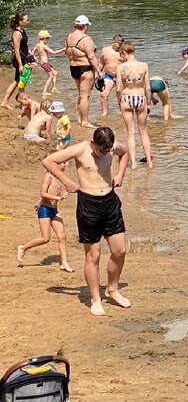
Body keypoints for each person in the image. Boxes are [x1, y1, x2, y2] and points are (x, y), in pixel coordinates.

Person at [41, 126, 131, 316]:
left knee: (120, 250)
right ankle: (95, 299)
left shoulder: (112, 147)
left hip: (110, 201)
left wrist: (120, 174)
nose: (103, 154)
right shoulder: (80, 149)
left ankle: (112, 289)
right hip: (89, 205)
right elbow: (48, 161)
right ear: (92, 142)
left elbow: (125, 153)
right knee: (93, 255)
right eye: (100, 151)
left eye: (106, 151)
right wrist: (67, 181)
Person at [15, 169, 73, 272]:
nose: (66, 163)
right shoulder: (48, 176)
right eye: (64, 162)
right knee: (45, 238)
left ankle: (64, 262)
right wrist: (59, 198)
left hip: (54, 209)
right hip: (45, 210)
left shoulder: (59, 175)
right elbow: (43, 193)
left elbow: (50, 190)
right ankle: (23, 248)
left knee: (62, 236)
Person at [116, 41, 153, 167]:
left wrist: (118, 100)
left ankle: (133, 164)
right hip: (140, 97)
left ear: (124, 52)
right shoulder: (144, 66)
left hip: (127, 97)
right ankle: (149, 162)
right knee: (143, 132)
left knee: (130, 133)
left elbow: (118, 88)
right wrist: (148, 103)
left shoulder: (121, 67)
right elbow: (148, 87)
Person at [63, 16, 103, 128]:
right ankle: (85, 121)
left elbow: (66, 53)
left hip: (73, 68)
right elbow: (91, 57)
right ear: (85, 26)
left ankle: (80, 119)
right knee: (85, 96)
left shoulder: (69, 37)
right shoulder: (86, 39)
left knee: (81, 95)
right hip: (85, 69)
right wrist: (99, 71)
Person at [2, 12, 33, 110]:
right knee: (17, 81)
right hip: (19, 60)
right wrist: (20, 65)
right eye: (26, 20)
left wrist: (31, 54)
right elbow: (16, 50)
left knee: (22, 81)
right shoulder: (17, 33)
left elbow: (24, 46)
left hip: (24, 59)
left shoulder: (22, 31)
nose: (28, 21)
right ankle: (5, 101)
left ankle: (21, 102)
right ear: (20, 22)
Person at [97, 34, 123, 117]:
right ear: (113, 42)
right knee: (104, 94)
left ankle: (122, 111)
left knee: (120, 94)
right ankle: (104, 113)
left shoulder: (123, 52)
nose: (120, 46)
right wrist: (98, 73)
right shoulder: (105, 50)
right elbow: (101, 63)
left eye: (121, 44)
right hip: (108, 76)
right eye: (119, 44)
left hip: (120, 77)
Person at [33, 29, 60, 96]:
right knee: (51, 76)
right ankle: (44, 91)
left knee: (55, 73)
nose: (48, 40)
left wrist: (34, 59)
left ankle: (54, 88)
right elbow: (53, 52)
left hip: (43, 63)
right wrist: (63, 49)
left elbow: (32, 53)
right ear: (44, 38)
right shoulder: (44, 46)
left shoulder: (37, 45)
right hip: (45, 63)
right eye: (48, 39)